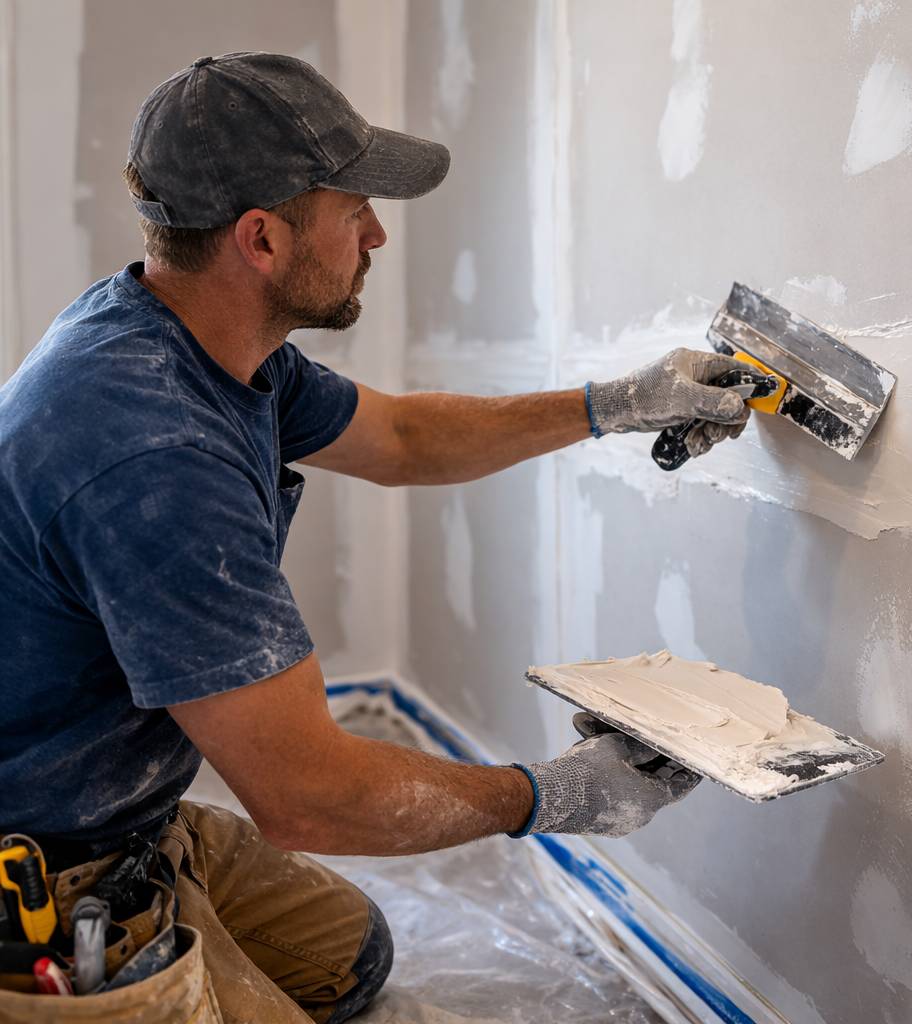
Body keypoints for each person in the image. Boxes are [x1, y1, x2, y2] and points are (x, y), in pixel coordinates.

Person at [0, 52, 746, 1022]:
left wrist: (618, 403)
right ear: (262, 238)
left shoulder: (201, 338)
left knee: (348, 961)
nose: (378, 235)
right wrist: (550, 796)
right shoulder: (151, 452)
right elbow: (305, 796)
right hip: (40, 872)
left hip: (123, 816)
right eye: (355, 212)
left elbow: (401, 437)